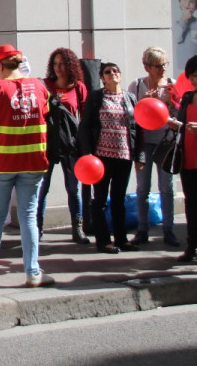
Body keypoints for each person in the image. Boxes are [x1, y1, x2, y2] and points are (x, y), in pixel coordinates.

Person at [0, 44, 54, 287]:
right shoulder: (40, 87)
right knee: (28, 216)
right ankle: (32, 272)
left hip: (2, 164)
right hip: (33, 162)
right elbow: (46, 114)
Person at [77, 62, 141, 254]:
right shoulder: (96, 97)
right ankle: (103, 241)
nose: (112, 74)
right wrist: (88, 153)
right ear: (102, 78)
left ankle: (122, 239)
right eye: (107, 72)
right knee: (100, 200)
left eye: (115, 71)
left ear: (120, 76)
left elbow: (138, 128)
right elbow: (85, 126)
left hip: (124, 156)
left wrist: (140, 156)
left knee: (119, 199)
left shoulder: (129, 98)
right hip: (101, 158)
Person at [128, 46, 180, 247]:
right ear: (147, 66)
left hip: (166, 142)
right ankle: (142, 230)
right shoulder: (138, 85)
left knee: (167, 187)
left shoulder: (171, 85)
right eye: (158, 66)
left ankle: (169, 230)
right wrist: (144, 101)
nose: (162, 69)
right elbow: (131, 114)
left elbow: (179, 114)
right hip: (144, 142)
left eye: (165, 64)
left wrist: (170, 102)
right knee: (143, 188)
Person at [37, 48, 90, 243]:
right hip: (48, 144)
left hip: (70, 144)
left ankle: (77, 228)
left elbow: (84, 118)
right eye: (55, 64)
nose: (58, 68)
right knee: (42, 188)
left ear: (71, 66)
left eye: (63, 64)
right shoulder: (45, 85)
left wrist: (86, 147)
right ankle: (37, 228)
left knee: (73, 188)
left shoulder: (79, 88)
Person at [170, 54, 197, 264]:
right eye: (193, 76)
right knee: (191, 204)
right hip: (188, 160)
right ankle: (192, 246)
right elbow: (182, 123)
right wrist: (174, 124)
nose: (195, 80)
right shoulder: (187, 97)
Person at [174, 0, 197, 77]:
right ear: (179, 0)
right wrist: (184, 20)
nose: (187, 4)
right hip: (180, 70)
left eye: (191, 1)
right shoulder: (176, 23)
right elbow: (177, 37)